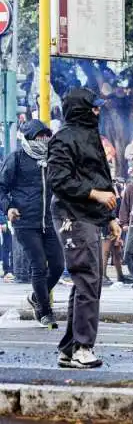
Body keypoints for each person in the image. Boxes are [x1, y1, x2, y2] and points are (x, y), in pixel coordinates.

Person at [48, 87, 121, 369]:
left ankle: (69, 349)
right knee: (88, 279)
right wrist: (95, 195)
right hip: (71, 217)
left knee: (85, 281)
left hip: (89, 217)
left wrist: (110, 217)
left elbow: (101, 179)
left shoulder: (91, 137)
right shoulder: (63, 140)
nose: (98, 111)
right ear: (82, 108)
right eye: (94, 106)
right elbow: (59, 180)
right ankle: (82, 348)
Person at [0, 120, 64, 328]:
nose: (44, 140)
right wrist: (8, 207)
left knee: (57, 266)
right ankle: (45, 312)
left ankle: (37, 298)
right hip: (25, 222)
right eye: (39, 136)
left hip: (49, 221)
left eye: (47, 135)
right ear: (28, 137)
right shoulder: (16, 159)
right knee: (38, 265)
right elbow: (1, 187)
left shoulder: (53, 159)